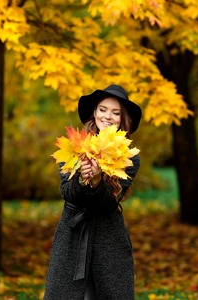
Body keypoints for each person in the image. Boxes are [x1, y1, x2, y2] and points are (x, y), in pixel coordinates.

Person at [44, 84, 142, 300]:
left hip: (109, 237)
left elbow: (109, 201)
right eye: (103, 109)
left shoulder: (129, 157)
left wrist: (98, 181)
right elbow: (67, 192)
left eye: (116, 112)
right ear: (95, 113)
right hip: (72, 235)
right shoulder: (74, 147)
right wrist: (81, 179)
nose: (108, 116)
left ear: (122, 118)